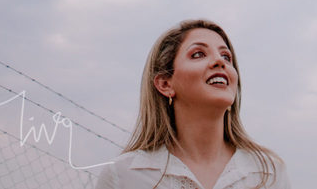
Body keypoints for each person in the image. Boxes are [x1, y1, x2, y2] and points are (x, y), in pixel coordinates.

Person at [96, 19, 290, 189]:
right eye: (198, 54)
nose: (219, 61)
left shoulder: (269, 172)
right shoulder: (123, 176)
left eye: (226, 57)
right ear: (165, 84)